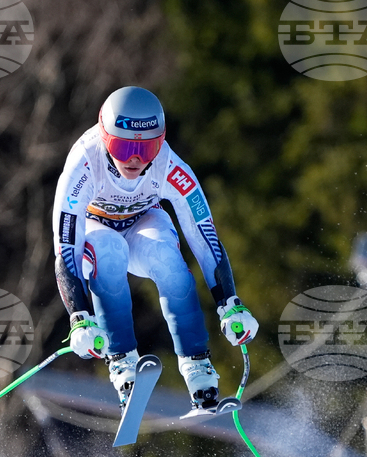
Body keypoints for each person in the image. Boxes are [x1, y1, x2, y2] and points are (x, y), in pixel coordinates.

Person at [52, 86, 259, 412]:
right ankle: (122, 362)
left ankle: (197, 366)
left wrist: (230, 304)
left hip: (143, 223)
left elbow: (204, 236)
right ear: (105, 138)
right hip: (96, 228)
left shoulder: (169, 166)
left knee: (168, 259)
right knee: (108, 251)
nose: (134, 159)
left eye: (146, 149)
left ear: (160, 142)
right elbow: (66, 249)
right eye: (122, 147)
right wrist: (80, 318)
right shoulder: (84, 165)